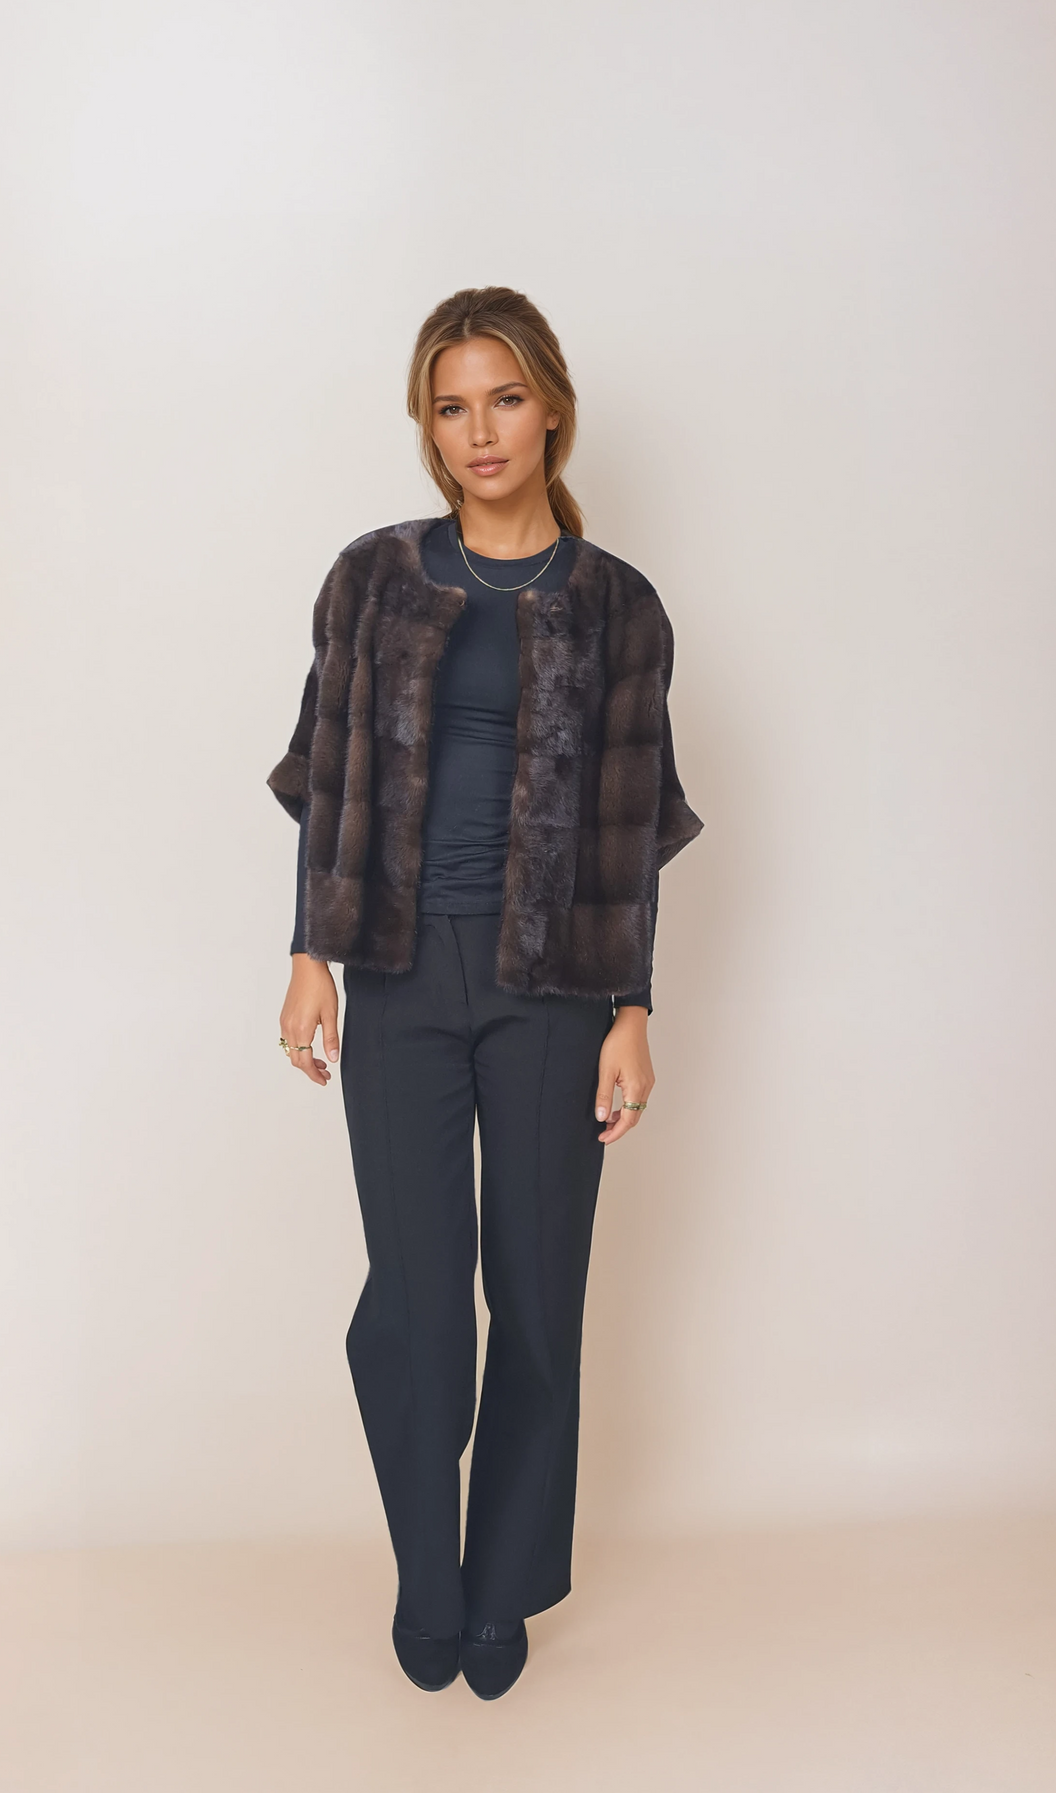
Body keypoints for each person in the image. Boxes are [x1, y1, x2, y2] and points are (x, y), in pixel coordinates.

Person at [268, 286, 702, 1700]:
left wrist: (632, 1007)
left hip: (554, 986)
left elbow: (630, 827)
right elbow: (325, 779)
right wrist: (309, 954)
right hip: (396, 972)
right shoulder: (371, 579)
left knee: (536, 1292)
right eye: (451, 407)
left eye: (504, 399)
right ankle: (427, 1571)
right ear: (428, 425)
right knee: (415, 1303)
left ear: (551, 408)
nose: (479, 432)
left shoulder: (619, 606)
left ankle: (503, 1584)